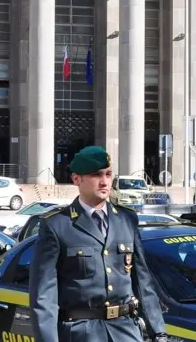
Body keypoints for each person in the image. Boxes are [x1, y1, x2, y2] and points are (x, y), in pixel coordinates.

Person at [29, 145, 168, 342]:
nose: (104, 182)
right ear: (77, 179)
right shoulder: (57, 224)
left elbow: (143, 281)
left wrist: (158, 331)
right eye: (96, 175)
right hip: (81, 332)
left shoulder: (126, 219)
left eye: (108, 174)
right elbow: (44, 295)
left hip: (125, 330)